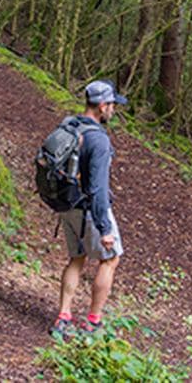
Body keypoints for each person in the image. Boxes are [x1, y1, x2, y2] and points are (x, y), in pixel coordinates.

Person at [50, 79, 127, 337]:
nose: (113, 110)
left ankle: (63, 316)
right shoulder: (99, 141)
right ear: (102, 106)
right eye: (112, 105)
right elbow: (97, 188)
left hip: (67, 205)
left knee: (77, 258)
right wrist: (104, 228)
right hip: (88, 209)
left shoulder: (70, 125)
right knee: (110, 258)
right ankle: (93, 321)